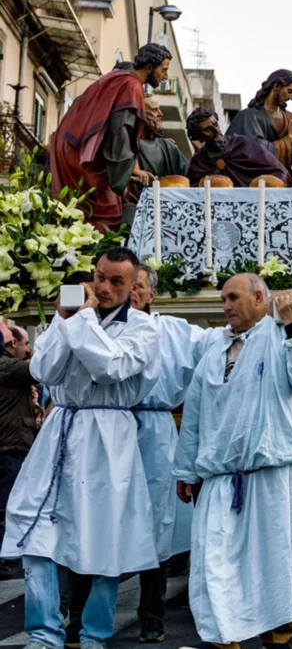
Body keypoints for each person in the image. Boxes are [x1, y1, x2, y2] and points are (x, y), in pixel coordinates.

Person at [2, 248, 161, 649]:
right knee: (33, 529)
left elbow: (109, 368)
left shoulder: (143, 328)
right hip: (61, 429)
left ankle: (94, 633)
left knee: (103, 536)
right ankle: (44, 632)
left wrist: (82, 319)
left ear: (133, 287)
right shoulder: (75, 318)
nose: (103, 288)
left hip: (107, 435)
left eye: (116, 282)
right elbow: (44, 370)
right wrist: (63, 318)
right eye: (99, 277)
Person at [174, 275, 292, 649]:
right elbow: (194, 413)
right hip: (220, 479)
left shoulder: (286, 336)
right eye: (223, 298)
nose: (225, 306)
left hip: (275, 479)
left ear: (260, 298)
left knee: (273, 568)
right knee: (215, 567)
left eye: (233, 297)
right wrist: (186, 469)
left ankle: (277, 640)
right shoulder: (215, 350)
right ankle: (224, 641)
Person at [130, 265, 212, 643]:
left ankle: (151, 613)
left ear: (151, 294)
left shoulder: (173, 331)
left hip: (155, 430)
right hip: (105, 425)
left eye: (137, 286)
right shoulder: (91, 325)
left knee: (158, 521)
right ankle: (77, 609)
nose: (129, 291)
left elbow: (218, 343)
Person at [49, 44, 173, 230]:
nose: (165, 76)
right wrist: (129, 169)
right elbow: (119, 130)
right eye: (163, 70)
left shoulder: (116, 79)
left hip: (71, 148)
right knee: (108, 217)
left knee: (75, 213)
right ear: (149, 67)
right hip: (81, 158)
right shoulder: (131, 85)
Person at [225, 69, 292, 179]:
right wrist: (289, 138)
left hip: (285, 183)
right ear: (276, 86)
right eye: (290, 91)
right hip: (254, 183)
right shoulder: (248, 117)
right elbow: (253, 152)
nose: (291, 98)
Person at [0, 324, 36, 581]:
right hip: (9, 445)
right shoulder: (9, 367)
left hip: (10, 444)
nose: (28, 350)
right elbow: (44, 370)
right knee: (5, 505)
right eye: (24, 344)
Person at [186, 108, 291, 187]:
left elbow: (281, 174)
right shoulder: (198, 163)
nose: (217, 131)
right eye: (208, 129)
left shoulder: (246, 145)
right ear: (198, 136)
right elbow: (193, 192)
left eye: (215, 124)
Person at [137, 97, 190, 180]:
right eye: (154, 110)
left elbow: (189, 173)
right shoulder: (127, 146)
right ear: (139, 114)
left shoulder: (167, 147)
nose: (161, 114)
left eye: (159, 109)